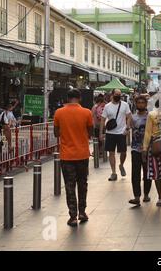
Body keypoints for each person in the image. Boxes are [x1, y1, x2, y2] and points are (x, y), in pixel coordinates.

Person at [54, 89, 93, 227]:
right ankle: (82, 212)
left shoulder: (59, 112)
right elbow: (90, 132)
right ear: (80, 98)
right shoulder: (87, 112)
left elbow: (56, 133)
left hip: (67, 156)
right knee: (82, 184)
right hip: (82, 154)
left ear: (68, 98)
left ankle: (72, 216)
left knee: (70, 186)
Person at [100, 89, 132, 181]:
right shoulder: (107, 106)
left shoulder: (125, 105)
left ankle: (121, 164)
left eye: (119, 94)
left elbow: (129, 116)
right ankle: (113, 172)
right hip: (110, 133)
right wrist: (101, 133)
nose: (118, 96)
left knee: (123, 152)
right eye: (116, 94)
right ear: (112, 94)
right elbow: (103, 119)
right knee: (111, 152)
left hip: (121, 132)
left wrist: (127, 128)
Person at [128, 95, 152, 206]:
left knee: (147, 172)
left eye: (143, 103)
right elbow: (128, 129)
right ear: (136, 104)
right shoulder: (133, 117)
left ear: (146, 104)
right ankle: (137, 196)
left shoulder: (150, 117)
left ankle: (146, 194)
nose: (141, 104)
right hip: (135, 149)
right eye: (139, 103)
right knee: (135, 173)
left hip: (148, 149)